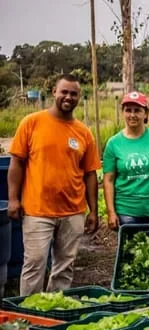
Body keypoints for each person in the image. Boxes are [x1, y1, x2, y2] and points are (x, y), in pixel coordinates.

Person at [7, 74, 100, 296]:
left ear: (79, 97)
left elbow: (90, 174)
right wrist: (13, 199)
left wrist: (94, 211)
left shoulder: (84, 133)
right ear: (54, 93)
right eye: (64, 92)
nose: (68, 97)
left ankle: (55, 310)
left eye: (74, 93)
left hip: (73, 212)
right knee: (34, 264)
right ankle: (28, 314)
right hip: (38, 209)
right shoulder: (32, 122)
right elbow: (16, 162)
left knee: (65, 267)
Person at [102, 91, 149, 229]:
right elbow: (108, 179)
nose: (132, 115)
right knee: (130, 250)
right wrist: (111, 212)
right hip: (126, 212)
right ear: (123, 112)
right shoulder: (113, 143)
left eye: (137, 110)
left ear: (145, 113)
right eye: (128, 110)